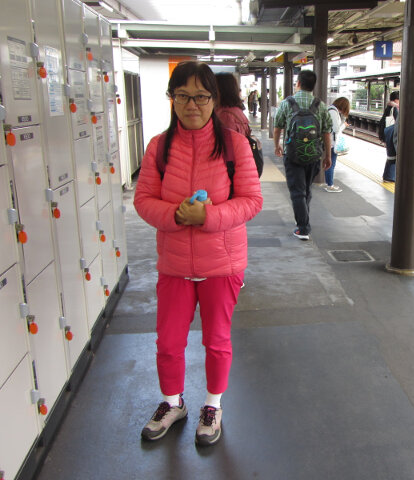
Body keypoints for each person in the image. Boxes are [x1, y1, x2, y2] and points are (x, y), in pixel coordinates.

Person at [134, 61, 263, 446]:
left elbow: (252, 201)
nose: (193, 104)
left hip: (222, 263)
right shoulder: (159, 147)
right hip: (174, 263)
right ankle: (172, 403)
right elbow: (142, 201)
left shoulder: (234, 145)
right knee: (168, 341)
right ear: (172, 99)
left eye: (202, 96)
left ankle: (212, 405)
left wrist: (206, 215)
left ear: (213, 99)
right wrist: (175, 214)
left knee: (217, 340)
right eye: (183, 96)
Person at [273, 70, 332, 240]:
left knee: (297, 191)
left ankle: (303, 227)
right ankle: (303, 219)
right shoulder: (320, 105)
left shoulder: (287, 103)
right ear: (313, 86)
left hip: (293, 154)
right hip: (314, 155)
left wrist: (277, 145)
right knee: (306, 189)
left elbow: (278, 127)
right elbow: (326, 133)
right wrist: (327, 156)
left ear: (298, 83)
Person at [325, 97, 351, 192]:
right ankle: (330, 185)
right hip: (331, 142)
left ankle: (329, 183)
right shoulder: (333, 112)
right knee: (331, 164)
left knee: (330, 163)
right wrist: (344, 125)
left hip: (330, 141)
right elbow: (336, 129)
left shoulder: (331, 110)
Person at [382, 91, 400, 182]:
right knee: (393, 155)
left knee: (390, 155)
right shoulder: (395, 108)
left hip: (387, 132)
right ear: (396, 99)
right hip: (392, 133)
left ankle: (388, 176)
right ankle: (389, 176)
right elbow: (398, 122)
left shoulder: (389, 107)